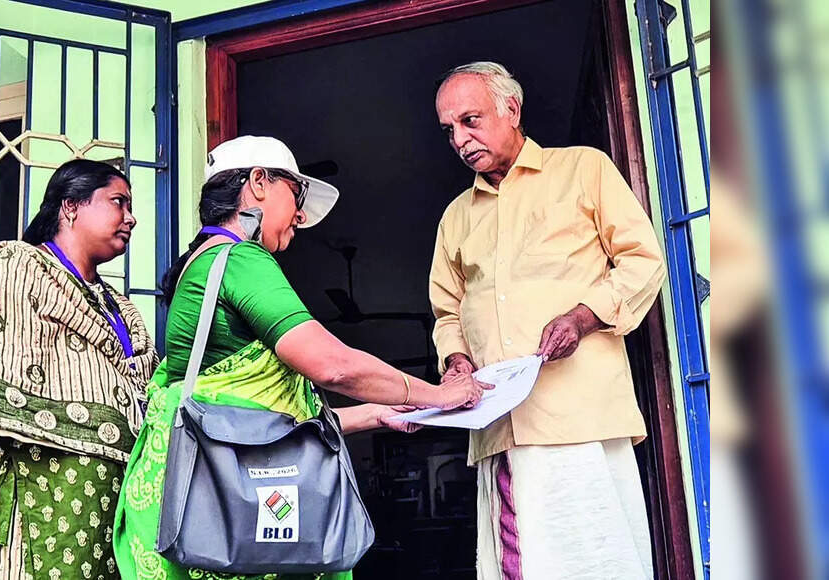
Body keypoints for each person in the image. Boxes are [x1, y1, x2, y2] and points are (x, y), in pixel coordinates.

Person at [114, 136, 485, 579]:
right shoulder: (239, 259)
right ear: (258, 184)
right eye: (297, 194)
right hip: (226, 526)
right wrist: (438, 394)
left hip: (203, 521)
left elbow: (259, 427)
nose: (301, 215)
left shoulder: (201, 263)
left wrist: (377, 414)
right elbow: (335, 366)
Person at [429, 62, 666, 579]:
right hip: (502, 422)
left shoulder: (583, 169)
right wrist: (457, 361)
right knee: (524, 562)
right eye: (449, 130)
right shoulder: (456, 216)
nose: (461, 139)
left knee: (598, 554)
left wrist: (584, 318)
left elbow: (644, 260)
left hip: (582, 413)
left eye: (470, 120)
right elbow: (448, 310)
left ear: (511, 109)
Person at [0, 159, 160, 580]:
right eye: (118, 202)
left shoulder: (119, 306)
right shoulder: (14, 267)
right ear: (70, 207)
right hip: (31, 495)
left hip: (110, 505)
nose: (131, 218)